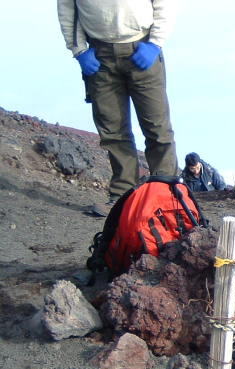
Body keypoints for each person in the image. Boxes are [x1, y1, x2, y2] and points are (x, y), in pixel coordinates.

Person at [57, 0, 179, 217]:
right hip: (99, 54)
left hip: (141, 48)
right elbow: (67, 7)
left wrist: (155, 44)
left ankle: (165, 197)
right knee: (113, 131)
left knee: (157, 127)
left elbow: (164, 3)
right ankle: (122, 198)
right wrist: (79, 51)